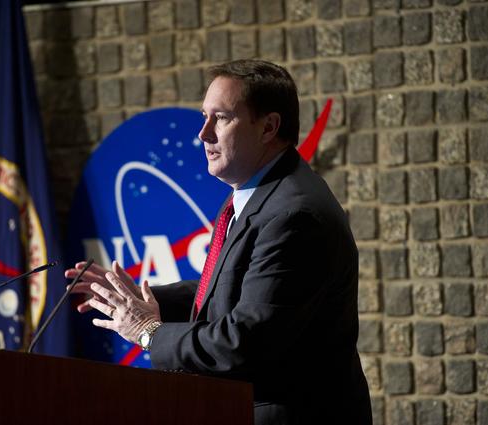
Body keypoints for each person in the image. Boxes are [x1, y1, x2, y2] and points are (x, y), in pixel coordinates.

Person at [65, 59, 372, 425]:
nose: (203, 133)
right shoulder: (256, 194)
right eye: (204, 117)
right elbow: (234, 290)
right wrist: (142, 300)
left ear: (268, 127)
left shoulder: (294, 214)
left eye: (221, 118)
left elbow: (244, 341)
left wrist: (149, 333)